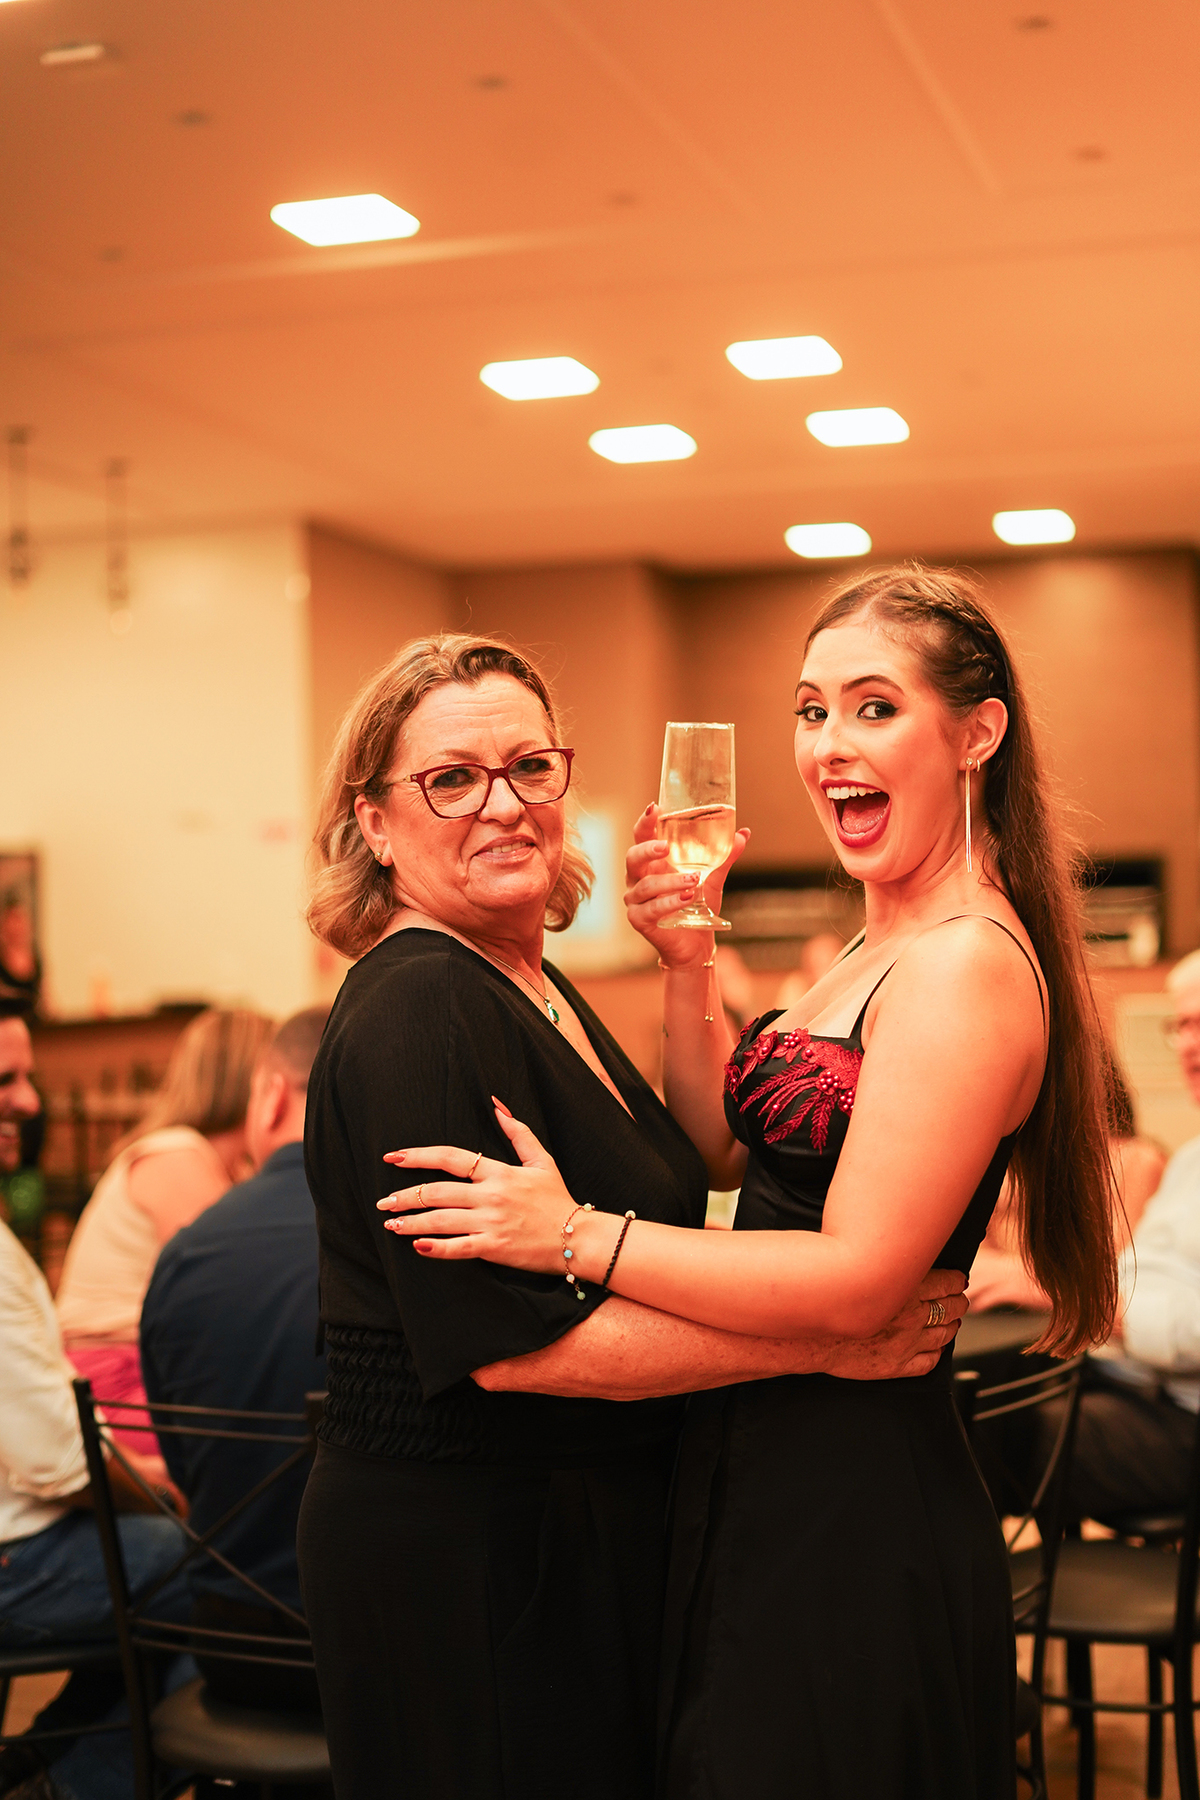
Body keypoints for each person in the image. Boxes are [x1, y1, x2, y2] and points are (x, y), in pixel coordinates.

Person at [381, 571, 1119, 1800]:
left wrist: (573, 1235)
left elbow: (856, 1281)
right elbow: (724, 1153)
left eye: (874, 708)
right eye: (810, 711)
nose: (829, 747)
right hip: (761, 1451)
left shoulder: (966, 966)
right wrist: (688, 961)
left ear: (976, 733)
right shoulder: (879, 942)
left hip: (852, 1489)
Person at [295, 631, 968, 1800]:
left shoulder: (524, 976)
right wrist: (822, 1342)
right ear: (376, 823)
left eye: (530, 767)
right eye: (451, 780)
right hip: (476, 1550)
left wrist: (686, 960)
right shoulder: (422, 1004)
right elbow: (515, 1349)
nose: (503, 804)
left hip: (567, 1526)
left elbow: (695, 1155)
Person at [0, 1003, 190, 1800]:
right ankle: (75, 1787)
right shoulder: (179, 1160)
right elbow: (58, 1463)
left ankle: (40, 1762)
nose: (30, 1100)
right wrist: (164, 1491)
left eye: (28, 1077)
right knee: (217, 1569)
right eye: (5, 1080)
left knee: (177, 1554)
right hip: (15, 1558)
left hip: (25, 1528)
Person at [140, 1006, 329, 1716]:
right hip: (381, 1657)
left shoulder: (186, 1253)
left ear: (271, 1095)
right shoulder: (410, 1235)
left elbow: (184, 1465)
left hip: (229, 1644)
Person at [55, 1008, 273, 1464]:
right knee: (269, 1438)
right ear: (256, 1082)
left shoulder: (220, 1165)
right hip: (112, 1379)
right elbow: (235, 1298)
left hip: (144, 1368)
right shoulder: (177, 1156)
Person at [969, 1047, 1165, 1314]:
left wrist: (1015, 1277)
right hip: (1005, 1321)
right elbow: (967, 1268)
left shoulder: (1136, 1159)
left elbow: (1113, 1280)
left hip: (1092, 1327)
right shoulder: (1000, 1165)